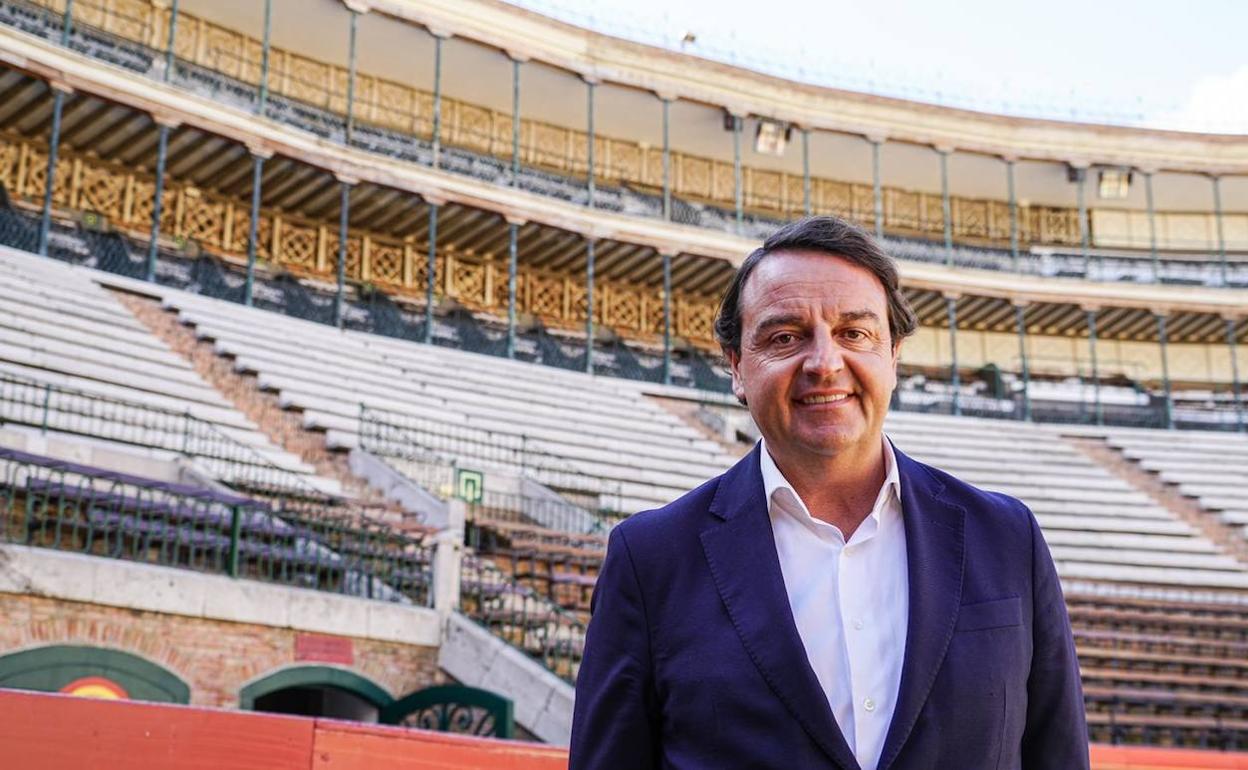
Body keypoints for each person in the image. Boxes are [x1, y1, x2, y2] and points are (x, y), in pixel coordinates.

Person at [569, 216, 1088, 770]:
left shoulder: (1007, 538)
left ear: (893, 358)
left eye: (854, 334)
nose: (823, 363)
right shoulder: (650, 560)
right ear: (737, 369)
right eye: (784, 337)